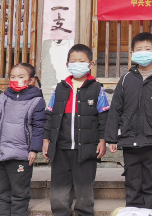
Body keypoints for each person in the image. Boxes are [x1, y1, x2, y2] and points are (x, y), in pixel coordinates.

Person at [105, 32, 152, 210]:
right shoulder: (126, 79)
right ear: (132, 53)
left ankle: (149, 211)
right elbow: (115, 110)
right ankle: (132, 212)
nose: (143, 53)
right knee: (132, 181)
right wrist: (111, 138)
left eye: (147, 49)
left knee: (151, 181)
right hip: (130, 140)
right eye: (139, 49)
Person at [43, 44, 110, 216]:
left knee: (84, 188)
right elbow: (50, 115)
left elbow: (104, 117)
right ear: (67, 65)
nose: (77, 64)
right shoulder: (60, 88)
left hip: (86, 148)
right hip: (61, 147)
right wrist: (46, 139)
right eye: (73, 61)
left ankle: (84, 212)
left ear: (91, 64)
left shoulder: (97, 88)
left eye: (81, 61)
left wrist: (103, 140)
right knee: (59, 188)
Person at [0, 63, 45, 216]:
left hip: (21, 154)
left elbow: (39, 127)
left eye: (21, 77)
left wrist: (34, 149)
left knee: (19, 193)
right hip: (1, 152)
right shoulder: (2, 98)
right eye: (13, 77)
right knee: (2, 193)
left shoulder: (37, 101)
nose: (16, 80)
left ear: (31, 80)